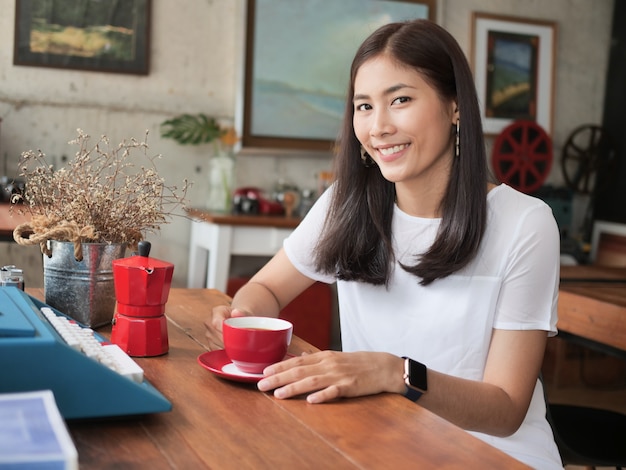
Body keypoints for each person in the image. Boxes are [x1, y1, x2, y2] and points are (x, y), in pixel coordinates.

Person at [205, 19, 563, 469]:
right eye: (364, 107)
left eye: (400, 100)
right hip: (377, 444)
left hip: (492, 456)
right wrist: (243, 317)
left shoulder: (525, 224)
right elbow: (267, 290)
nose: (378, 127)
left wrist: (397, 373)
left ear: (455, 106)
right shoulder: (346, 204)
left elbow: (506, 409)